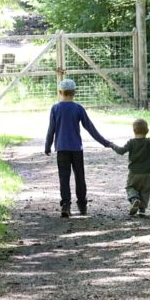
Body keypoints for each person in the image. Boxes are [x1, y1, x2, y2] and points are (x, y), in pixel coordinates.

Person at [45, 78, 113, 218]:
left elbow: (51, 130)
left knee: (64, 177)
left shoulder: (55, 108)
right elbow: (90, 128)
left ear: (60, 92)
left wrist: (47, 146)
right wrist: (105, 142)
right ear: (74, 92)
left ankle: (65, 205)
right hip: (76, 148)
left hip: (62, 148)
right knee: (79, 177)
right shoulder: (78, 108)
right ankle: (82, 204)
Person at [110, 118, 150, 216]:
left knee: (130, 187)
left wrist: (112, 145)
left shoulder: (131, 142)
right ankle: (142, 210)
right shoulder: (148, 142)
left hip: (134, 172)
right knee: (145, 190)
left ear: (134, 130)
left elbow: (121, 151)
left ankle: (135, 199)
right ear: (147, 131)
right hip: (147, 173)